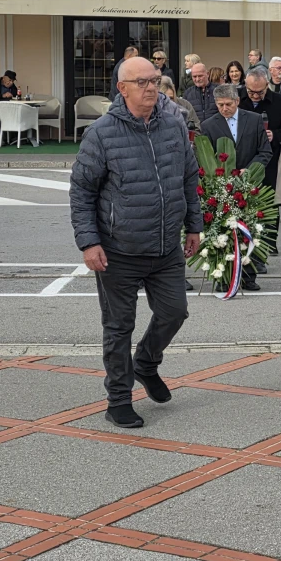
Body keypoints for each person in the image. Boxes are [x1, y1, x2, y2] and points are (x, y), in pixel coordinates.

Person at [70, 56, 201, 429]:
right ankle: (119, 400)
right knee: (118, 327)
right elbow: (82, 192)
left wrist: (194, 225)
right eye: (141, 82)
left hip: (165, 246)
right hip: (118, 250)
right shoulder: (101, 133)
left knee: (175, 312)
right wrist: (89, 242)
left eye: (154, 80)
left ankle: (146, 361)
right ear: (122, 88)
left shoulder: (173, 125)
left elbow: (188, 176)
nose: (150, 88)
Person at [200, 84, 271, 291]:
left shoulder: (254, 120)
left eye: (228, 104)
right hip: (221, 188)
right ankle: (224, 278)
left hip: (250, 184)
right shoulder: (208, 125)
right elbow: (204, 158)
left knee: (251, 230)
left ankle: (249, 276)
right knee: (223, 233)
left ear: (237, 101)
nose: (224, 108)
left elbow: (265, 152)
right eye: (220, 105)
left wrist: (248, 171)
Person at [242, 66, 281, 270]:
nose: (255, 96)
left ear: (267, 85)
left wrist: (275, 135)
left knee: (268, 202)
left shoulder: (280, 102)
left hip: (270, 159)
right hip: (243, 158)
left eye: (259, 92)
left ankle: (270, 242)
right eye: (251, 91)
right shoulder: (238, 99)